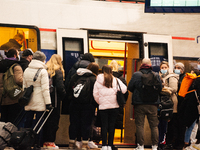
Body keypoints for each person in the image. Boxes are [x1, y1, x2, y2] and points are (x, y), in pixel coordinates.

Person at [63, 53, 97, 149]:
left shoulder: (75, 75)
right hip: (88, 105)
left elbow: (68, 88)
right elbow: (95, 93)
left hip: (74, 103)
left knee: (74, 123)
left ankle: (71, 143)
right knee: (86, 124)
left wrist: (71, 99)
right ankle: (85, 144)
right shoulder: (93, 78)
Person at [128, 58, 162, 150]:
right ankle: (155, 146)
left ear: (141, 64)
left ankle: (140, 146)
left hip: (139, 104)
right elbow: (160, 89)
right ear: (150, 65)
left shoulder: (136, 74)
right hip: (153, 104)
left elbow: (130, 87)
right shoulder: (155, 75)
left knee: (140, 125)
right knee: (154, 126)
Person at [93, 65, 127, 150]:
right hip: (114, 106)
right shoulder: (116, 80)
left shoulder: (98, 80)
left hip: (103, 107)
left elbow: (95, 94)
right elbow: (124, 89)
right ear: (111, 71)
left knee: (104, 126)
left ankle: (104, 145)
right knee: (112, 126)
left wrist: (100, 102)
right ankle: (110, 145)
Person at [23, 51, 52, 147]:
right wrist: (48, 103)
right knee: (39, 124)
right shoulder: (43, 71)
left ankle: (26, 143)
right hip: (40, 101)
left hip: (28, 100)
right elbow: (45, 89)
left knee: (27, 124)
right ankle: (37, 144)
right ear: (42, 60)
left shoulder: (27, 70)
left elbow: (24, 87)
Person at [42, 54, 66, 149]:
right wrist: (64, 96)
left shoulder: (45, 71)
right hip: (55, 100)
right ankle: (50, 142)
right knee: (54, 121)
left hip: (45, 99)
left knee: (46, 121)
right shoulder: (58, 72)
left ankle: (45, 142)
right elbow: (60, 87)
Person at [158, 61, 179, 150]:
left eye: (165, 67)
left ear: (168, 68)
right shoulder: (159, 76)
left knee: (169, 123)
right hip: (163, 103)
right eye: (162, 68)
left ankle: (168, 142)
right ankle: (162, 142)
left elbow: (174, 89)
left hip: (170, 102)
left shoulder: (171, 77)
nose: (163, 69)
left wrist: (163, 88)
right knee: (162, 123)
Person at [0, 48, 23, 123]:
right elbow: (19, 80)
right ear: (15, 55)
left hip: (2, 96)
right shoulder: (16, 66)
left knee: (3, 119)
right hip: (13, 96)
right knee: (13, 121)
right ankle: (11, 134)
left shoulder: (1, 64)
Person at [109, 60, 128, 130]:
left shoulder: (104, 77)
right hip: (117, 103)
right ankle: (111, 139)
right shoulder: (121, 78)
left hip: (105, 104)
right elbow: (125, 92)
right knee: (113, 123)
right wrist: (123, 102)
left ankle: (105, 139)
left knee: (105, 124)